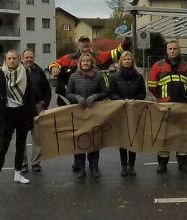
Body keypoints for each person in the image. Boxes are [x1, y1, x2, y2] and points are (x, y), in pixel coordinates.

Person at [49, 35, 130, 172]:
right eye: (82, 42)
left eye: (87, 42)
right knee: (77, 135)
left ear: (90, 44)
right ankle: (78, 161)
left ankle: (93, 165)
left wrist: (125, 44)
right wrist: (54, 68)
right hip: (73, 103)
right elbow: (55, 63)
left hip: (94, 104)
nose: (85, 44)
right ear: (78, 44)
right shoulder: (69, 58)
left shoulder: (98, 57)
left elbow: (115, 53)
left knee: (93, 135)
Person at [0, 50, 37, 191]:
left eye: (14, 58)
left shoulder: (26, 73)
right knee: (3, 147)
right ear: (5, 60)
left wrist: (34, 114)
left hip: (22, 113)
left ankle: (17, 174)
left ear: (19, 59)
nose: (12, 60)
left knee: (21, 145)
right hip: (6, 114)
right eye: (9, 58)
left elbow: (31, 95)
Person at [147, 40, 187, 174]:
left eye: (175, 49)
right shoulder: (158, 66)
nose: (172, 51)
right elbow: (151, 85)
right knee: (164, 136)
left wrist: (185, 97)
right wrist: (161, 98)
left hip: (182, 107)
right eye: (170, 49)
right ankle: (162, 165)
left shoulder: (186, 67)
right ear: (167, 51)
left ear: (179, 50)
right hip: (164, 107)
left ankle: (183, 164)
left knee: (182, 136)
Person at [66, 53, 109, 179]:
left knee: (94, 141)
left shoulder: (98, 76)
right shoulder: (74, 77)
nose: (85, 63)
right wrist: (76, 97)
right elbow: (68, 93)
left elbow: (105, 92)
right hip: (78, 113)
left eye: (88, 61)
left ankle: (94, 167)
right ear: (80, 63)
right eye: (83, 61)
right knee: (79, 141)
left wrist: (95, 96)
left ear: (91, 63)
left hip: (94, 113)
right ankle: (81, 168)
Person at [109, 51, 147, 176]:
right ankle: (123, 166)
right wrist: (121, 100)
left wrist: (135, 100)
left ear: (132, 61)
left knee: (133, 139)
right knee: (123, 140)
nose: (127, 61)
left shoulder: (139, 77)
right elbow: (111, 93)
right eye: (124, 59)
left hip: (134, 111)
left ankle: (132, 166)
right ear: (121, 61)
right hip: (121, 111)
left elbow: (143, 93)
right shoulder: (114, 77)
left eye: (129, 59)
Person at [21, 49, 52, 173]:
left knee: (37, 137)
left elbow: (47, 89)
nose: (29, 59)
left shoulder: (39, 71)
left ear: (34, 58)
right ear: (22, 58)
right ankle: (22, 163)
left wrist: (44, 103)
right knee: (21, 137)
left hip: (37, 107)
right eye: (26, 57)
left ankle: (36, 163)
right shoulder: (18, 71)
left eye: (31, 57)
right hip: (22, 108)